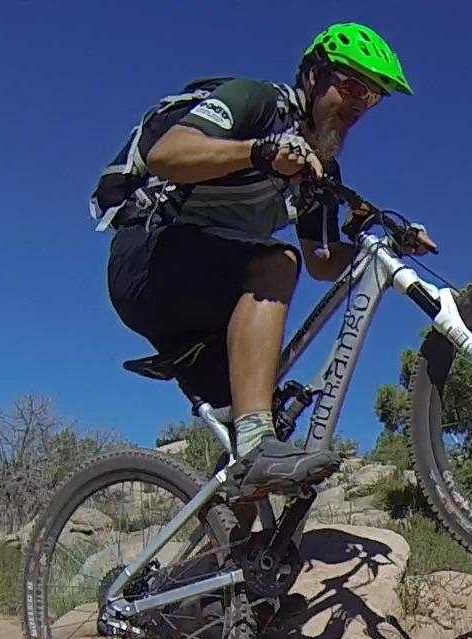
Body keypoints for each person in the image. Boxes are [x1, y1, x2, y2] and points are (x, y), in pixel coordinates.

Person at [104, 22, 434, 501]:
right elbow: (166, 154)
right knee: (275, 261)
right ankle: (258, 445)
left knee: (258, 436)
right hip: (147, 259)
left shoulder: (319, 168)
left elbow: (321, 262)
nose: (360, 104)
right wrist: (259, 153)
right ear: (315, 76)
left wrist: (381, 247)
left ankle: (230, 562)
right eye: (352, 86)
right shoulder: (257, 102)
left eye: (373, 98)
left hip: (205, 300)